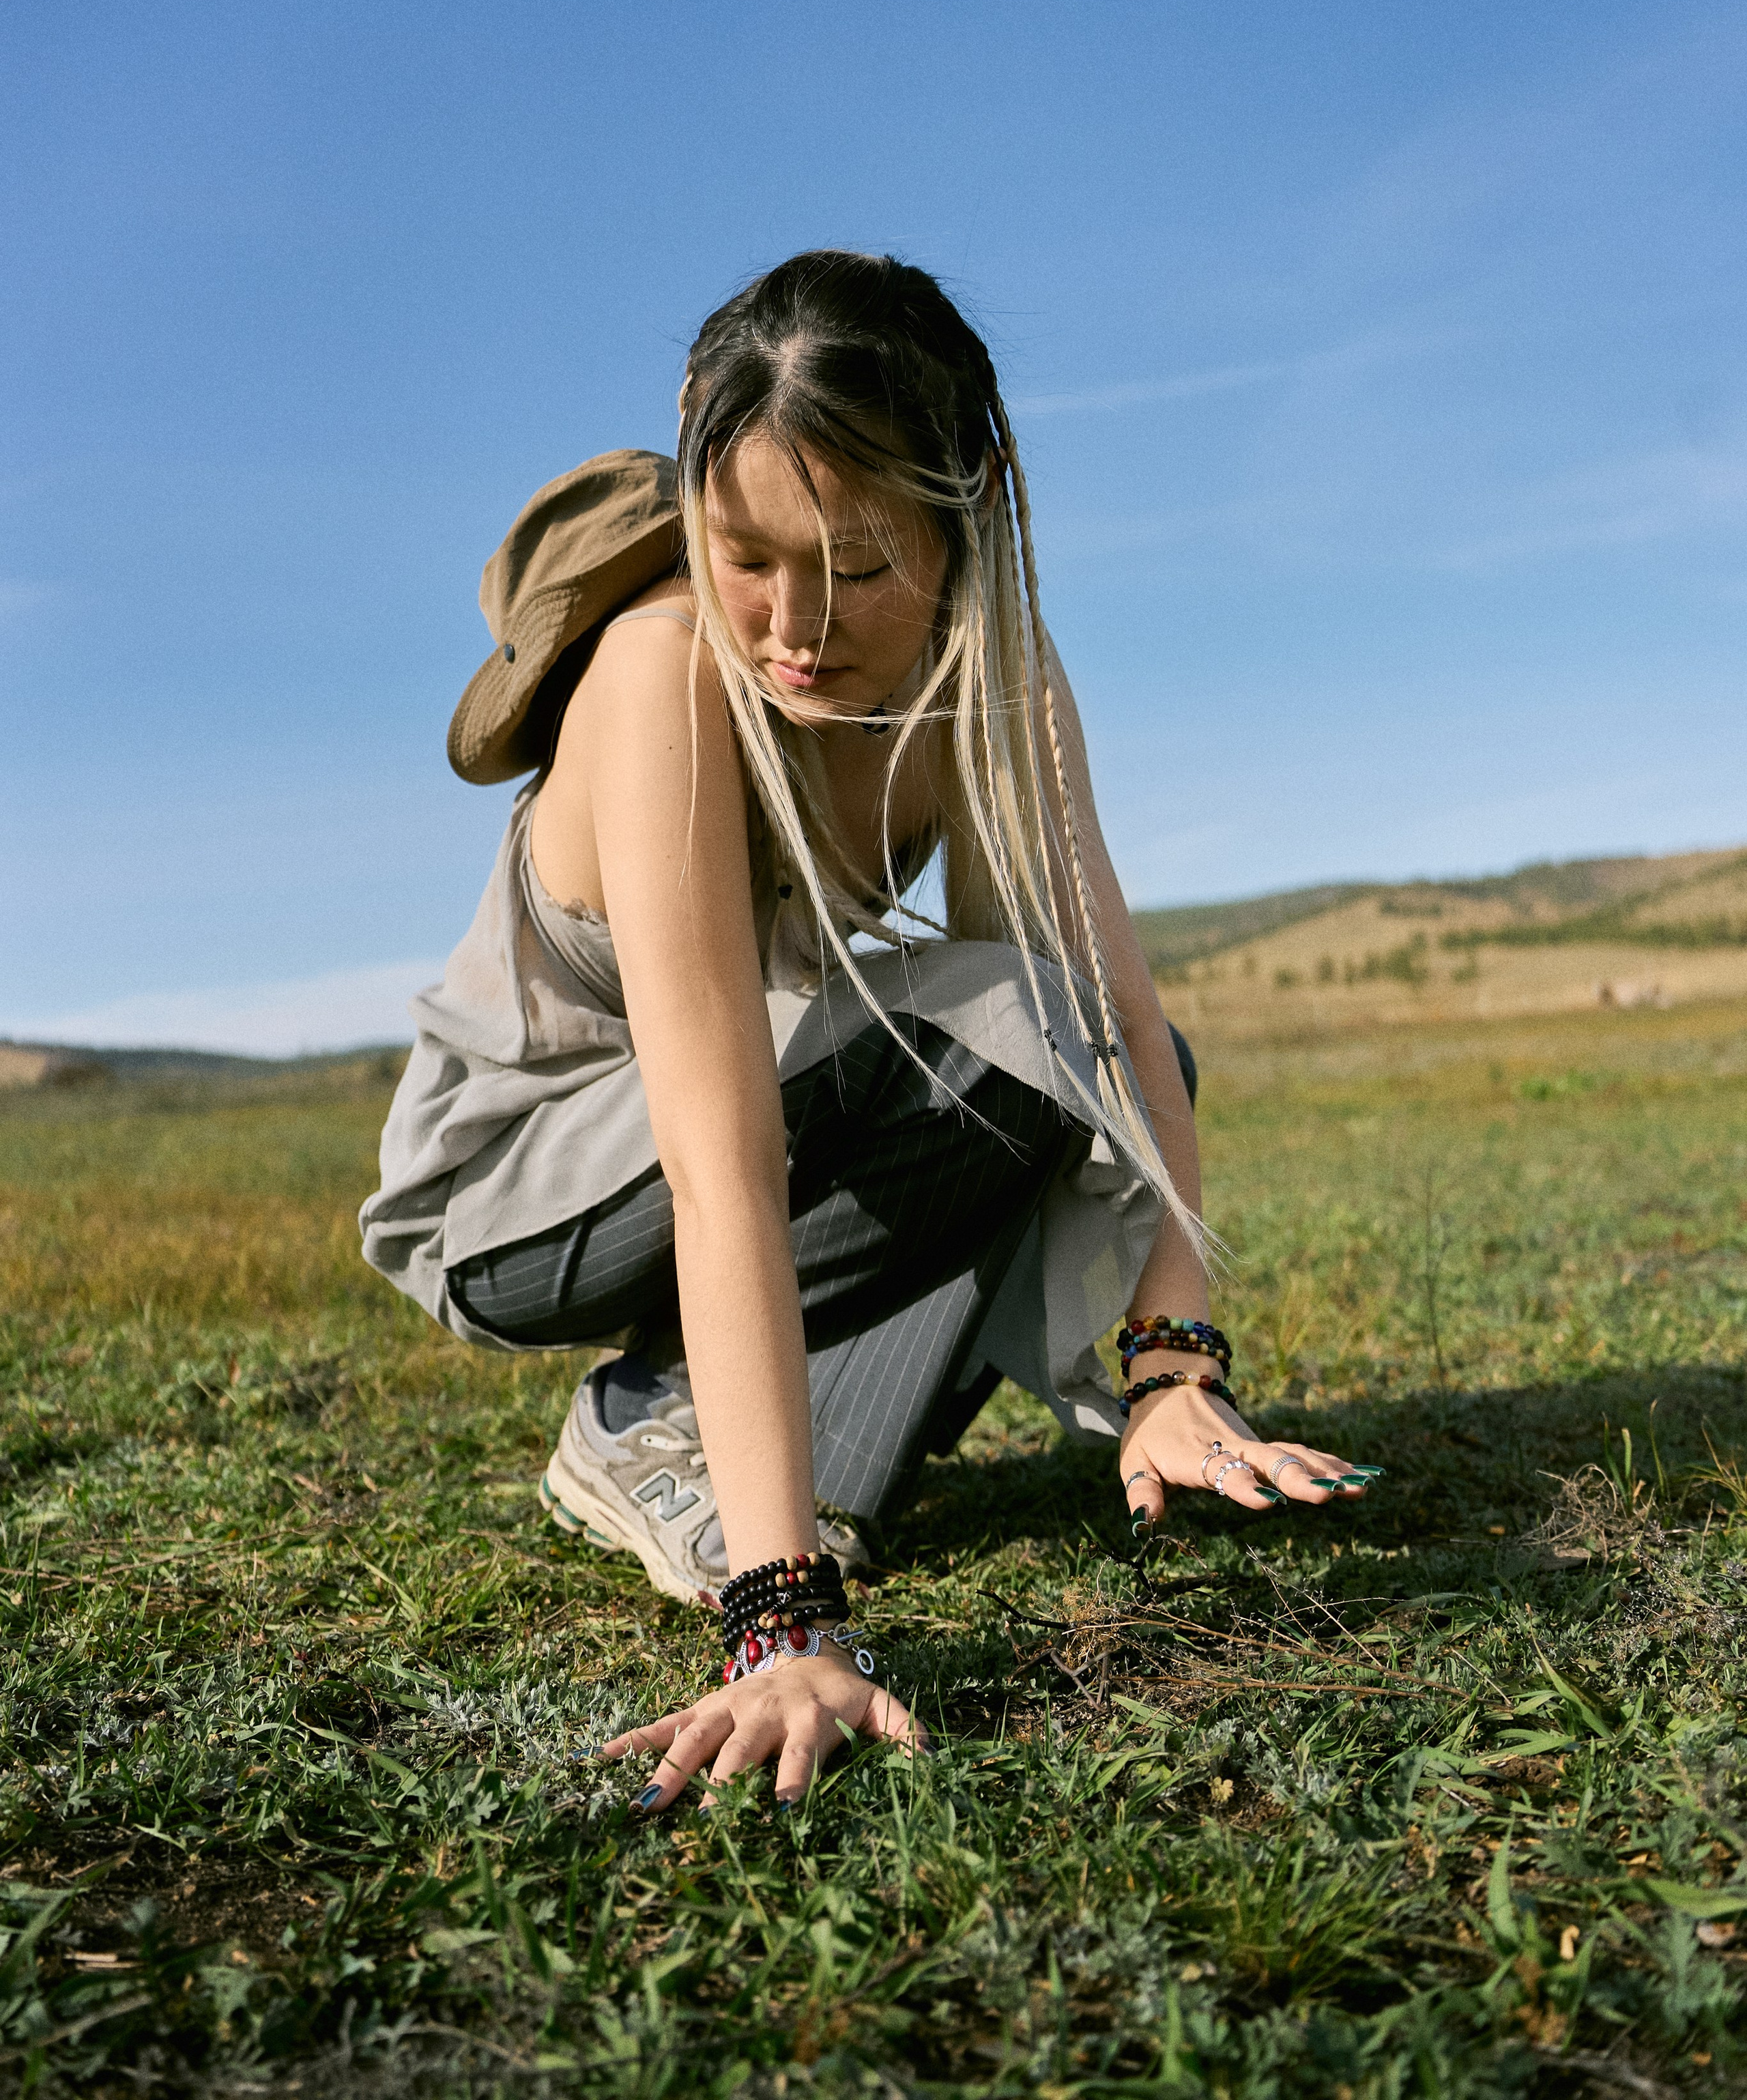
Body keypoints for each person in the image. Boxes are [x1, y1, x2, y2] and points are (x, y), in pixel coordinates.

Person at [360, 251, 1375, 1813]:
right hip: (521, 1199)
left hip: (753, 1130)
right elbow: (718, 1160)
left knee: (1084, 1053)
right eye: (747, 555)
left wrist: (1175, 1365)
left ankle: (668, 1435)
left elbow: (1119, 1033)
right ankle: (709, 1466)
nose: (792, 622)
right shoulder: (665, 673)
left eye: (858, 566)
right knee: (1007, 1030)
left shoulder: (999, 681)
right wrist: (780, 1626)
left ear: (967, 507)